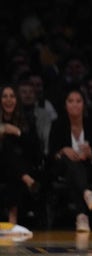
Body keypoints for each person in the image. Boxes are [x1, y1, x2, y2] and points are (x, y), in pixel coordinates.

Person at [48, 88, 92, 232]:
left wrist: (90, 154)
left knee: (75, 174)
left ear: (84, 104)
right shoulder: (58, 124)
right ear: (65, 105)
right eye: (70, 101)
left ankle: (81, 216)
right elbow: (50, 155)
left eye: (78, 101)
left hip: (87, 169)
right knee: (70, 159)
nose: (74, 105)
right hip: (62, 167)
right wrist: (63, 150)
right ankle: (86, 195)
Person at [0, 85, 43, 225]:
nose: (8, 100)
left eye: (12, 96)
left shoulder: (27, 120)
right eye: (5, 96)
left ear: (17, 100)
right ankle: (27, 180)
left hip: (21, 166)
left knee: (13, 168)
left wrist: (17, 132)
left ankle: (13, 219)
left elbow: (34, 148)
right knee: (6, 147)